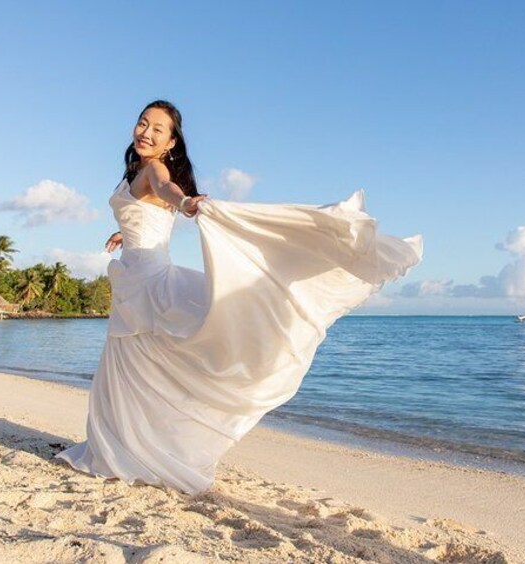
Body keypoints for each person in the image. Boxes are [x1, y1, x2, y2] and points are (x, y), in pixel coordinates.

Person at [55, 99, 423, 495]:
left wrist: (184, 202)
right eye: (143, 123)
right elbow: (146, 212)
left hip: (148, 282)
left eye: (157, 129)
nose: (145, 132)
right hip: (137, 277)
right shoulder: (136, 171)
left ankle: (128, 451)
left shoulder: (155, 169)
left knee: (137, 366)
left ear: (171, 142)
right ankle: (128, 450)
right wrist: (124, 232)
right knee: (132, 370)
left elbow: (167, 190)